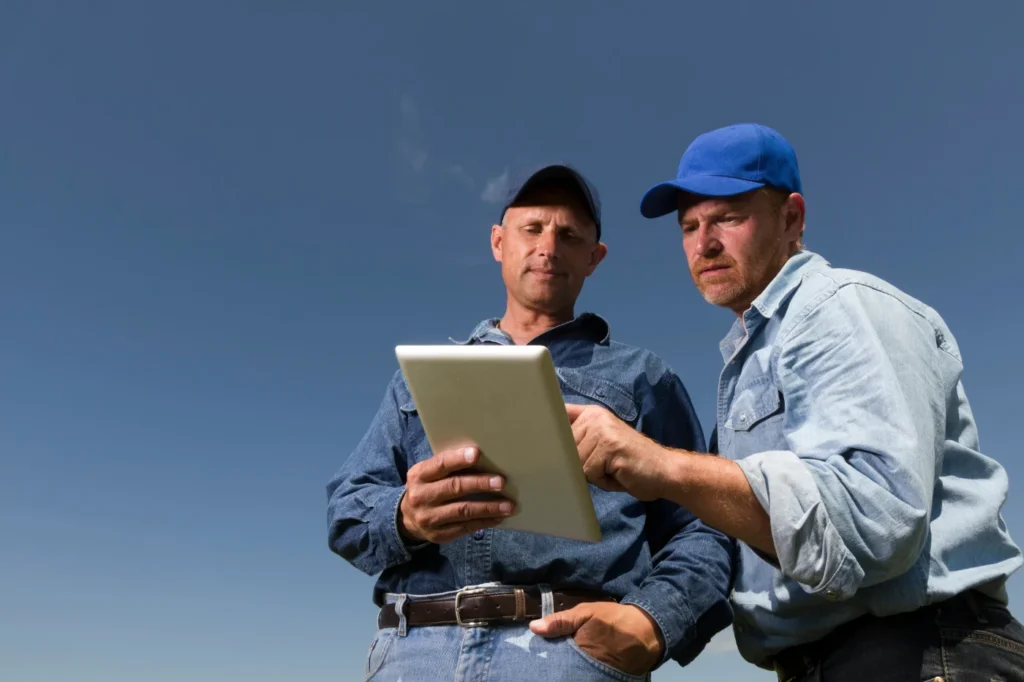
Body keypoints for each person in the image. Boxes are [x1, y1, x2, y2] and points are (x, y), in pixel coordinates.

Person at [530, 124, 1024, 681]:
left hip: (916, 650)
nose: (703, 243)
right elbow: (719, 538)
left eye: (728, 218)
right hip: (828, 660)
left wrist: (662, 465)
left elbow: (872, 522)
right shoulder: (748, 362)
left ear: (791, 218)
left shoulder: (836, 306)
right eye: (689, 226)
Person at [326, 164, 734, 681]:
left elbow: (704, 526)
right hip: (414, 652)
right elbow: (346, 511)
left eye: (569, 235)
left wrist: (652, 620)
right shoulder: (416, 381)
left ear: (594, 257)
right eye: (532, 229)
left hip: (568, 652)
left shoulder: (643, 377)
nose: (548, 247)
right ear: (499, 242)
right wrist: (405, 515)